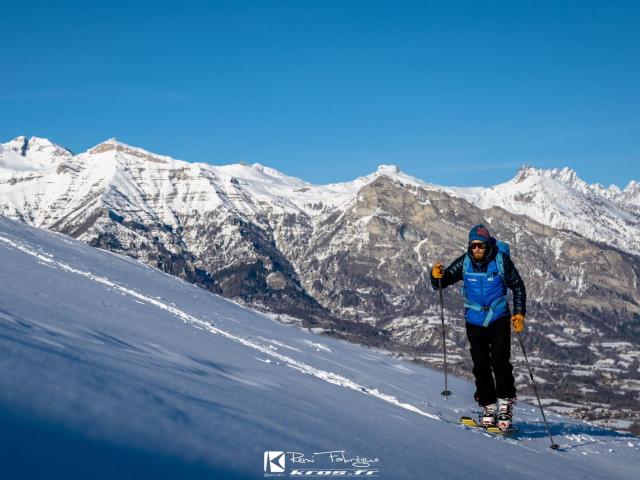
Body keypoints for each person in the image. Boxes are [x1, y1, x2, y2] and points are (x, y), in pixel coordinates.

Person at [431, 224, 526, 430]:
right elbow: (442, 282)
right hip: (474, 320)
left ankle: (505, 406)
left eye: (480, 245)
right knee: (480, 364)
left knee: (499, 361)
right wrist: (436, 275)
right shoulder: (465, 263)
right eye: (473, 246)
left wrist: (519, 313)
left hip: (498, 316)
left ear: (487, 245)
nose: (476, 250)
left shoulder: (501, 262)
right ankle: (489, 406)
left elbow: (518, 286)